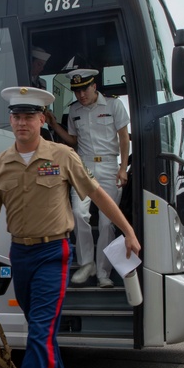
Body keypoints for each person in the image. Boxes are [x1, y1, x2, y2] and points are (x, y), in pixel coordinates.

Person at [0, 86, 140, 368]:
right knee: (43, 330)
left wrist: (128, 230)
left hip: (53, 254)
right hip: (21, 256)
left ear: (42, 119)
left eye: (29, 116)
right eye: (16, 116)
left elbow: (99, 194)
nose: (22, 122)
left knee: (39, 332)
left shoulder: (63, 156)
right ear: (10, 121)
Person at [48, 68, 131, 287]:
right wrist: (55, 125)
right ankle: (87, 263)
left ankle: (103, 272)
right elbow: (73, 141)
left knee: (106, 223)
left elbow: (124, 138)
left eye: (84, 89)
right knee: (78, 212)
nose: (81, 95)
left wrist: (123, 168)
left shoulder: (114, 105)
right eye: (77, 91)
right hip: (83, 167)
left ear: (94, 86)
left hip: (110, 166)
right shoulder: (75, 110)